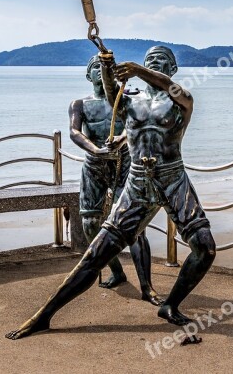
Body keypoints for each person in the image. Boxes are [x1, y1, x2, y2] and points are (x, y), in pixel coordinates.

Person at [6, 46, 215, 340]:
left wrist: (138, 70)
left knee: (205, 248)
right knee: (96, 254)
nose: (155, 62)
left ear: (173, 68)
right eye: (149, 59)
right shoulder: (130, 100)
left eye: (162, 60)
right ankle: (43, 315)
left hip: (173, 178)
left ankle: (170, 305)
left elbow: (173, 90)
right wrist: (107, 65)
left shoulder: (180, 98)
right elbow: (110, 89)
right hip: (138, 182)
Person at [68, 55, 160, 304]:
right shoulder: (79, 104)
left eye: (103, 67)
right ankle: (117, 271)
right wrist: (95, 150)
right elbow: (74, 132)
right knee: (90, 223)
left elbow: (134, 123)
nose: (99, 71)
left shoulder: (126, 98)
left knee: (134, 228)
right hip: (95, 164)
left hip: (124, 163)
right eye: (94, 68)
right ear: (88, 76)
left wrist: (119, 139)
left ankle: (147, 286)